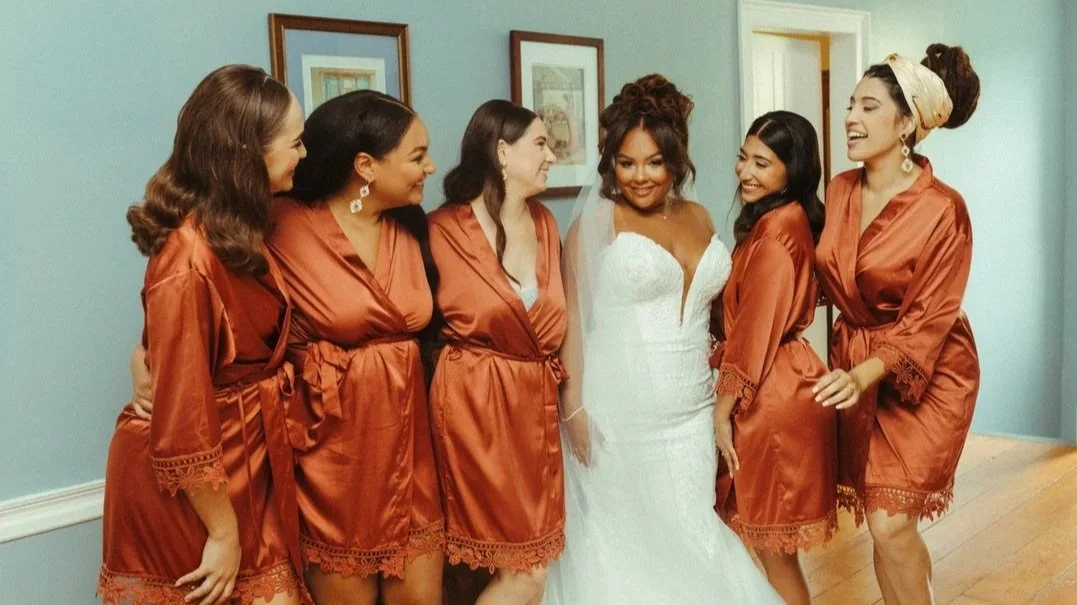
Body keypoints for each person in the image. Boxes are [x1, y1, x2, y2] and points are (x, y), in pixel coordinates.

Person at [544, 74, 781, 604]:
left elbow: (729, 312)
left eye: (653, 162)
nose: (639, 177)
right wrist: (575, 409)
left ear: (676, 159)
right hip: (617, 418)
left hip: (692, 415)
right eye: (626, 163)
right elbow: (574, 322)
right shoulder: (597, 222)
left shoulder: (699, 216)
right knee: (627, 549)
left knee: (692, 534)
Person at [99, 64, 307, 605]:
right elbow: (183, 420)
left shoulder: (242, 229)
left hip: (245, 456)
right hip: (194, 485)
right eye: (295, 143)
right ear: (248, 154)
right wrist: (222, 532)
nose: (302, 155)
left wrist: (142, 354)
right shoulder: (189, 259)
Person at [813, 44, 981, 604]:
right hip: (854, 367)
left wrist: (865, 374)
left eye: (867, 107)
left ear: (906, 122)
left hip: (927, 377)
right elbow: (822, 277)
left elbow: (931, 317)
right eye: (849, 106)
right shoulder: (839, 190)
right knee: (883, 524)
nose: (851, 119)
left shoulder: (943, 208)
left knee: (889, 522)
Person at [272, 90, 444, 605]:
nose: (430, 167)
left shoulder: (411, 227)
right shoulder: (283, 225)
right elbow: (216, 296)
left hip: (413, 459)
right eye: (417, 156)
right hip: (335, 463)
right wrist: (146, 357)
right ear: (365, 165)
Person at [426, 100, 566, 605]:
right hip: (475, 415)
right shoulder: (442, 230)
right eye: (541, 144)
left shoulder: (546, 223)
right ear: (502, 152)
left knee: (529, 570)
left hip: (535, 420)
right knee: (524, 574)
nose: (552, 155)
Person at [710, 110, 835, 604]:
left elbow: (755, 328)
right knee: (766, 546)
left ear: (793, 170)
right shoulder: (782, 220)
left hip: (771, 396)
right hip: (779, 380)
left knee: (773, 549)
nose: (746, 171)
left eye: (762, 163)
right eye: (743, 158)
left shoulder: (778, 232)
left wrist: (723, 408)